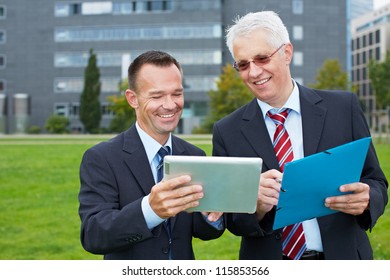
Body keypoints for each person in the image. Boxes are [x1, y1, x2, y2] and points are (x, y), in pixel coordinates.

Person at [213, 11, 388, 260]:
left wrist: (368, 199)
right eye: (243, 64)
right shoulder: (226, 131)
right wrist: (256, 207)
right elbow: (231, 219)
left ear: (286, 52)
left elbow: (376, 181)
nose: (253, 72)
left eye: (262, 58)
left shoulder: (343, 108)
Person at [78, 50, 224, 260]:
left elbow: (203, 231)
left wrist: (212, 217)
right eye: (157, 96)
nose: (170, 104)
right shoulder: (102, 158)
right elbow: (94, 234)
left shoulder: (194, 154)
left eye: (177, 93)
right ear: (132, 99)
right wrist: (150, 211)